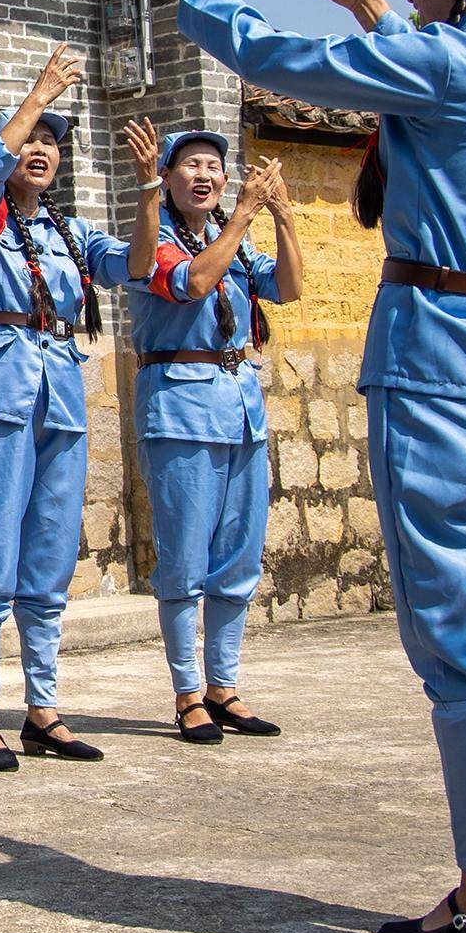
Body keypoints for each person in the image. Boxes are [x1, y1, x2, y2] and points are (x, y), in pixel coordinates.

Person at [174, 0, 466, 933]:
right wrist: (374, 6)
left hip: (442, 361)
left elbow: (276, 61)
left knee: (457, 627)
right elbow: (432, 85)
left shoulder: (444, 62)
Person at [0, 46, 134, 770]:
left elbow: (138, 267)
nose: (40, 151)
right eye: (31, 140)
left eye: (52, 142)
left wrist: (149, 188)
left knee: (50, 562)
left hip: (60, 393)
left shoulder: (69, 233)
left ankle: (43, 710)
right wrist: (35, 95)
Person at [126, 127, 302, 744]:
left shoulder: (233, 243)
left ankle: (225, 686)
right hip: (180, 410)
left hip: (240, 407)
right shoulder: (156, 243)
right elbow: (193, 284)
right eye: (191, 165)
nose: (206, 175)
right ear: (168, 179)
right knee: (184, 560)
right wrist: (246, 215)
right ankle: (188, 693)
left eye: (215, 166)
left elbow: (288, 286)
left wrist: (281, 217)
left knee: (239, 558)